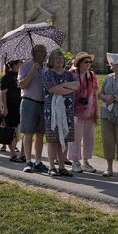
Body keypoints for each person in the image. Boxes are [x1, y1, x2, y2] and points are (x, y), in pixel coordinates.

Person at [41, 48, 79, 177]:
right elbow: (53, 89)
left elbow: (77, 85)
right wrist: (68, 87)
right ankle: (52, 167)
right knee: (53, 139)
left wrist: (62, 88)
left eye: (61, 58)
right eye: (56, 58)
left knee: (66, 138)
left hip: (67, 111)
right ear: (51, 61)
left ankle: (62, 167)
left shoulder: (69, 74)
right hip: (51, 111)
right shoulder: (47, 74)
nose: (59, 60)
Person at [19, 44, 50, 173]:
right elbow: (22, 85)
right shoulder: (25, 66)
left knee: (40, 134)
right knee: (28, 133)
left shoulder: (46, 69)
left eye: (44, 51)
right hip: (29, 102)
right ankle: (28, 161)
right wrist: (32, 69)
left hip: (43, 104)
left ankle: (38, 161)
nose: (44, 53)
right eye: (41, 51)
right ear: (34, 53)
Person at [69, 52, 99, 174]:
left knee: (89, 138)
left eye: (89, 62)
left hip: (89, 112)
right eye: (85, 62)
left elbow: (95, 94)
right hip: (75, 111)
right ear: (79, 63)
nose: (88, 64)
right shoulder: (71, 74)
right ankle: (75, 162)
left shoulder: (92, 75)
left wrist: (96, 111)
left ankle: (85, 161)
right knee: (76, 138)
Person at [0, 59, 23, 161]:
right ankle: (12, 154)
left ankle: (19, 153)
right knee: (11, 129)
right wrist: (5, 107)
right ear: (15, 64)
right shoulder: (7, 77)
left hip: (21, 105)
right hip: (11, 105)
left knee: (18, 129)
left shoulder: (22, 75)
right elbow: (3, 93)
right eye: (21, 62)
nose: (22, 64)